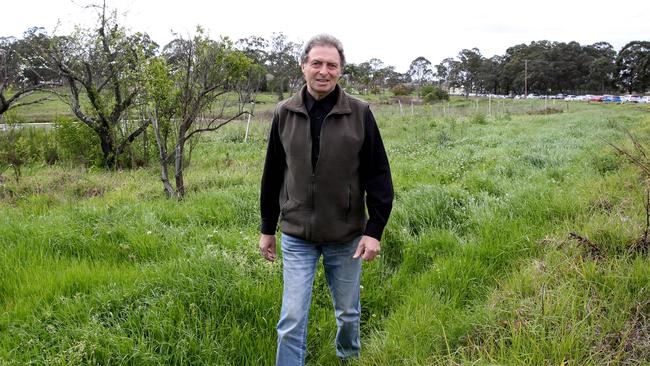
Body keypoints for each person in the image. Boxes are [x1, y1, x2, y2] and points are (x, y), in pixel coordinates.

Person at [258, 34, 393, 365]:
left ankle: (348, 357)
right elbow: (273, 174)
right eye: (316, 63)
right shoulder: (284, 113)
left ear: (341, 71)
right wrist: (267, 228)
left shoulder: (360, 114)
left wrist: (374, 230)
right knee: (291, 320)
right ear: (303, 66)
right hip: (296, 235)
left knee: (348, 313)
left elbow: (378, 175)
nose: (323, 71)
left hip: (345, 235)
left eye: (331, 65)